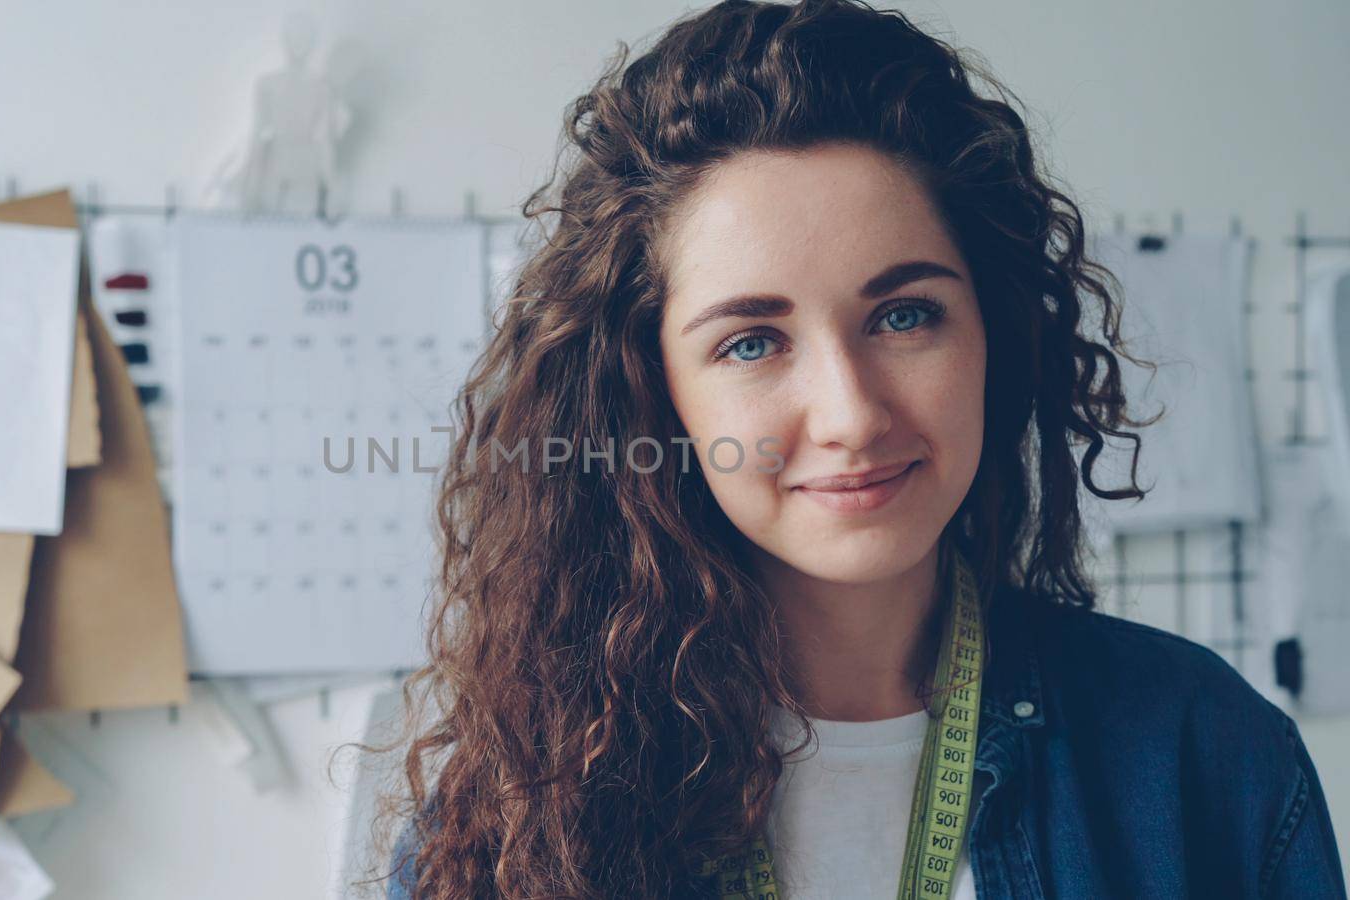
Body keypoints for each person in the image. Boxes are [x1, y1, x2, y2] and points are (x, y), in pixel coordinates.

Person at [363, 0, 1348, 896]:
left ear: (992, 335)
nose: (850, 414)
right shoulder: (515, 821)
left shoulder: (1202, 755)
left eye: (905, 315)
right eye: (751, 341)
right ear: (652, 395)